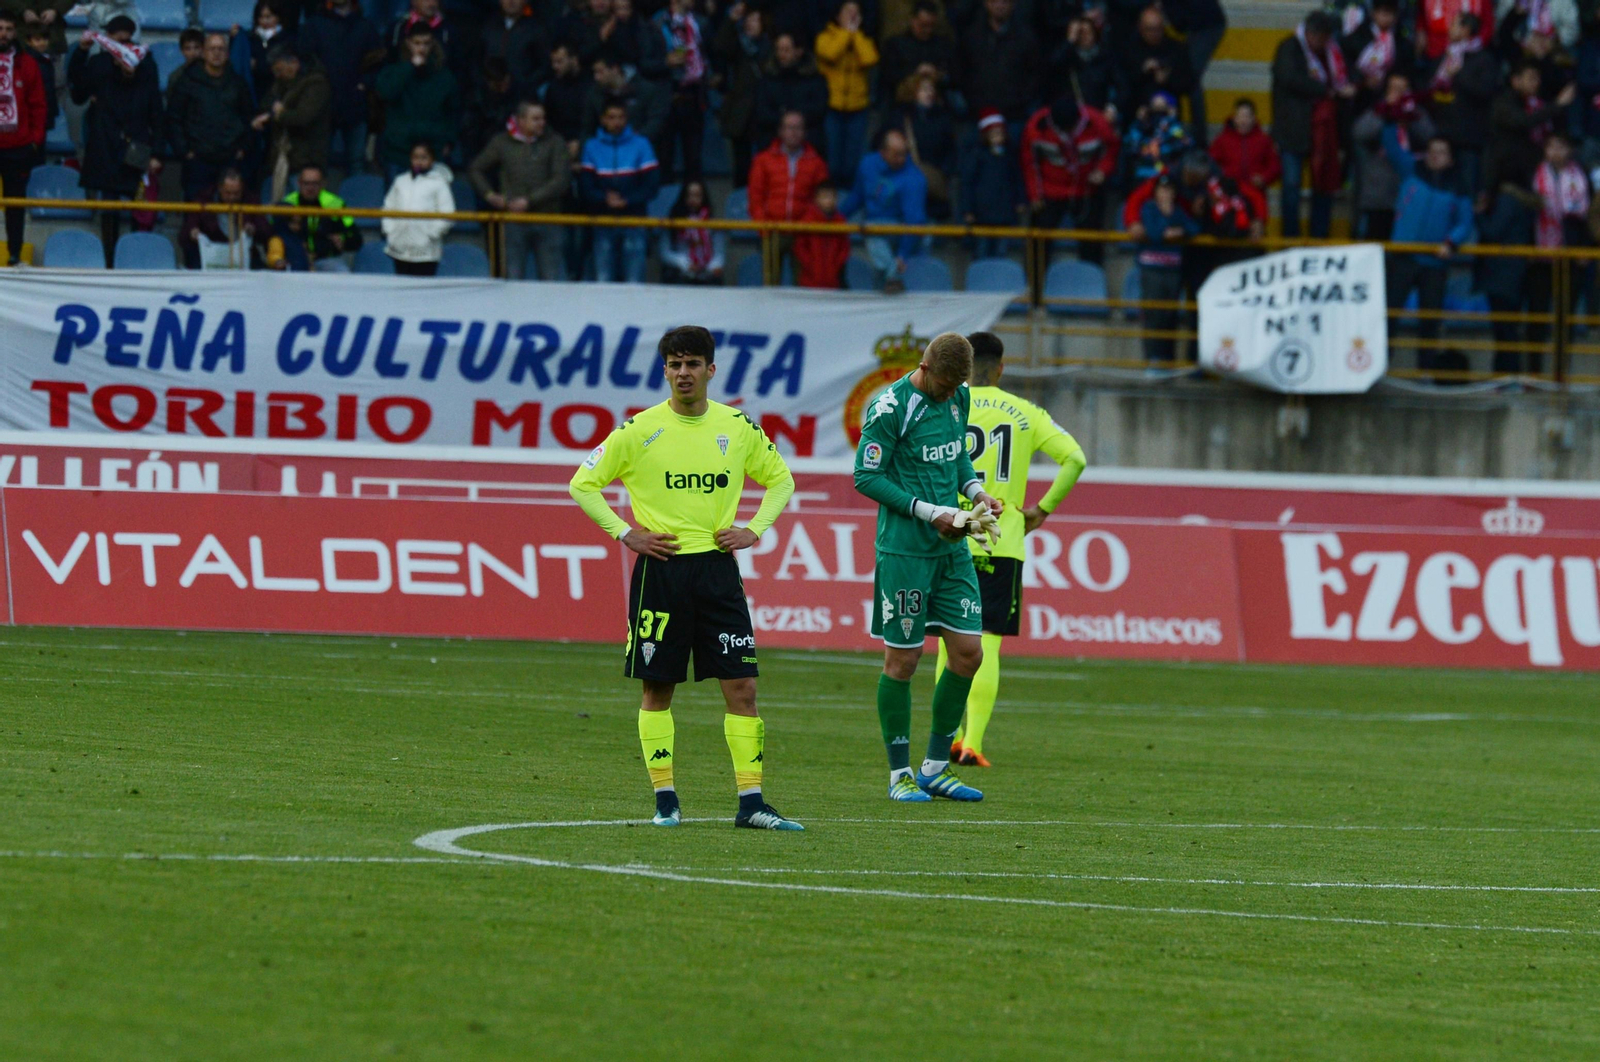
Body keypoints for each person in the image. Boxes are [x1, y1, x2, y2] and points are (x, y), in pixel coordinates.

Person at [567, 325, 802, 832]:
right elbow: (582, 483)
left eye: (693, 363)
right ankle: (665, 800)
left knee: (743, 687)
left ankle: (751, 804)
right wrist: (625, 533)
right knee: (658, 688)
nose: (683, 373)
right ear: (665, 371)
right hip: (662, 571)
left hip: (717, 571)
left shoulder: (737, 426)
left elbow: (781, 480)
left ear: (710, 370)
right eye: (675, 364)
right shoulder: (639, 429)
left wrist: (754, 529)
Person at [852, 332, 1001, 803]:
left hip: (951, 547)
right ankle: (899, 774)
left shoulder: (958, 396)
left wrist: (976, 494)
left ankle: (935, 768)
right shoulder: (890, 408)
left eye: (957, 384)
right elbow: (866, 476)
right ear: (924, 366)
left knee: (969, 653)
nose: (950, 392)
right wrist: (929, 511)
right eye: (944, 383)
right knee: (904, 660)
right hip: (904, 552)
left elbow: (957, 459)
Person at [934, 332, 1085, 767]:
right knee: (988, 642)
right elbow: (1075, 459)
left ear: (964, 367)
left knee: (947, 642)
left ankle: (946, 738)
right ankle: (973, 743)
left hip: (952, 532)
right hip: (1001, 539)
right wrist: (1042, 510)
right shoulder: (1026, 412)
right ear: (1001, 368)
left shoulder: (945, 404)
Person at [69, 19, 164, 262]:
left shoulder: (146, 64)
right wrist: (80, 52)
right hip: (105, 142)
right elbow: (78, 94)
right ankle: (110, 260)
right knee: (108, 207)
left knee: (139, 209)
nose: (123, 47)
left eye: (127, 41)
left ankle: (135, 259)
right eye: (118, 41)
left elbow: (156, 111)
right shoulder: (98, 63)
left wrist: (156, 153)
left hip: (137, 143)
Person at [1383, 123, 1474, 372]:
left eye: (1441, 152)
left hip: (1435, 262)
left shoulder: (1459, 186)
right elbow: (1391, 147)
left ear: (1451, 158)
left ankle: (1425, 371)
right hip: (1402, 257)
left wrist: (1451, 243)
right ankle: (1381, 367)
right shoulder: (1411, 169)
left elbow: (1465, 223)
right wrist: (1390, 118)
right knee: (1389, 315)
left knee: (1430, 321)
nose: (1435, 156)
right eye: (1432, 151)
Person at [1271, 11, 1353, 239]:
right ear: (1309, 33)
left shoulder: (1332, 52)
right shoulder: (1289, 48)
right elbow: (1289, 78)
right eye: (1319, 37)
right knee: (1291, 187)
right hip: (1293, 128)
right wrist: (1326, 90)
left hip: (1324, 129)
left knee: (1323, 185)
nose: (1322, 42)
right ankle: (1290, 239)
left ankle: (1319, 237)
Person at [470, 99, 570, 279]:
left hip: (548, 218)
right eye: (536, 119)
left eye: (543, 118)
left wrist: (529, 201)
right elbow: (476, 168)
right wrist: (489, 195)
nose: (542, 123)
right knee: (513, 279)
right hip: (514, 219)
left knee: (551, 279)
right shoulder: (501, 142)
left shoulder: (555, 142)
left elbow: (561, 180)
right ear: (520, 120)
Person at [1020, 94, 1118, 269]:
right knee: (1038, 242)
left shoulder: (1097, 122)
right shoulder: (1036, 126)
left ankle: (1091, 280)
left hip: (1087, 190)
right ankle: (1034, 282)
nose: (1067, 132)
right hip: (1050, 191)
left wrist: (1102, 171)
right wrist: (1035, 195)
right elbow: (1029, 164)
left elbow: (1112, 149)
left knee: (1091, 243)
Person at [296, 0, 382, 177]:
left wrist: (365, 83)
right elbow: (304, 61)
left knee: (356, 162)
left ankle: (356, 196)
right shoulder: (314, 25)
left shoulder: (365, 26)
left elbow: (378, 62)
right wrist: (318, 87)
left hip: (356, 103)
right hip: (322, 105)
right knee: (318, 163)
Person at [167, 32, 256, 200]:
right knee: (195, 210)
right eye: (212, 49)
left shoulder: (238, 83)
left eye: (221, 49)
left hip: (230, 159)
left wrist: (243, 148)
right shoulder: (187, 82)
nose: (216, 53)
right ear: (204, 53)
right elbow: (174, 118)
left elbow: (248, 118)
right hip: (197, 160)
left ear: (227, 54)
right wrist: (185, 151)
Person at [579, 97, 658, 281]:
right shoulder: (591, 146)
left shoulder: (642, 145)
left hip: (634, 220)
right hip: (602, 220)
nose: (617, 122)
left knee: (634, 281)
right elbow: (585, 186)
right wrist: (604, 198)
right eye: (612, 117)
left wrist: (627, 200)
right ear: (603, 119)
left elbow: (652, 185)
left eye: (621, 117)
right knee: (603, 281)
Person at [840, 127, 926, 291]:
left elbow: (915, 221)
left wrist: (902, 255)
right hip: (875, 230)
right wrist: (837, 218)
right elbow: (857, 196)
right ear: (883, 152)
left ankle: (893, 277)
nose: (902, 159)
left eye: (904, 154)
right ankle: (890, 280)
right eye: (896, 154)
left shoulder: (915, 178)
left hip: (900, 230)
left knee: (871, 229)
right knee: (872, 234)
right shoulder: (867, 165)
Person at [748, 109, 828, 281]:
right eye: (789, 127)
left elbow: (821, 199)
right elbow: (756, 196)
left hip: (803, 232)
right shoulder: (763, 160)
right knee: (770, 285)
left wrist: (807, 225)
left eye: (798, 128)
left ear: (805, 132)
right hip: (772, 231)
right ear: (781, 131)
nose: (793, 132)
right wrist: (763, 226)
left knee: (803, 285)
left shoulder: (817, 163)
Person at [1351, 73, 1434, 240]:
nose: (1398, 94)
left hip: (1409, 193)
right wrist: (1385, 112)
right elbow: (1359, 133)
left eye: (1403, 89)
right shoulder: (1376, 111)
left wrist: (1410, 115)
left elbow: (1430, 136)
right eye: (1394, 89)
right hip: (1379, 195)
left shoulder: (1417, 113)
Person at [1425, 12, 1497, 198]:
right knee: (1438, 192)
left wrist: (1458, 75)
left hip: (1467, 140)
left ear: (1466, 30)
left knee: (1465, 194)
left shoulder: (1484, 59)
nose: (1449, 29)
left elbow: (1485, 91)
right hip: (1441, 137)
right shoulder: (1445, 56)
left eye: (1454, 25)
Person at [374, 22, 459, 178]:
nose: (421, 48)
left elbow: (453, 112)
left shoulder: (444, 76)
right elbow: (385, 93)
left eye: (426, 43)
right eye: (417, 43)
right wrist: (410, 67)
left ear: (433, 44)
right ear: (408, 43)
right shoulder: (394, 69)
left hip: (432, 153)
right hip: (398, 152)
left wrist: (449, 141)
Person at [252, 44, 331, 201]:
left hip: (307, 160)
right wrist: (270, 114)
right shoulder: (282, 83)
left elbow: (302, 117)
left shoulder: (317, 84)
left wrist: (280, 114)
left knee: (305, 206)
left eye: (280, 70)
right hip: (284, 158)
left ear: (294, 62)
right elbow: (269, 103)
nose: (277, 75)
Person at [1134, 172, 1198, 363]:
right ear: (1155, 192)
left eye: (1169, 190)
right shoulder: (1149, 208)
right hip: (1152, 269)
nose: (1166, 194)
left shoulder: (1178, 211)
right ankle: (1153, 360)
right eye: (1162, 190)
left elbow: (1193, 228)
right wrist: (1167, 226)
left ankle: (1168, 359)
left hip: (1172, 270)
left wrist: (1179, 230)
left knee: (1170, 316)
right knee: (1153, 315)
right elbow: (1154, 233)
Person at [0, 11, 47, 266]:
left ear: (15, 32)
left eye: (8, 29)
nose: (4, 34)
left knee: (15, 206)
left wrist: (35, 140)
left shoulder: (27, 63)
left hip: (18, 147)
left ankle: (14, 255)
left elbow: (38, 104)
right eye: (0, 28)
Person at [815, 0, 877, 187]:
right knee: (832, 162)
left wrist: (855, 35)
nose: (852, 15)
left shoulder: (864, 39)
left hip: (858, 108)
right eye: (848, 11)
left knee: (852, 163)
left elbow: (870, 58)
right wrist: (846, 33)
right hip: (832, 107)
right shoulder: (825, 37)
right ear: (837, 15)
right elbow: (830, 53)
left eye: (856, 12)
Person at [649, 0, 709, 183]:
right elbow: (645, 60)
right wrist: (665, 63)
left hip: (693, 94)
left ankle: (694, 198)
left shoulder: (699, 22)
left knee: (694, 157)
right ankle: (665, 197)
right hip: (668, 95)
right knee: (665, 154)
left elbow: (710, 52)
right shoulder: (657, 23)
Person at [711, 4, 768, 187]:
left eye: (755, 20)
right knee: (741, 164)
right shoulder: (738, 45)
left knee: (765, 162)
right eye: (748, 20)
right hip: (740, 113)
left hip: (763, 112)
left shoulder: (770, 47)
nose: (751, 24)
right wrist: (731, 19)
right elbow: (720, 46)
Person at [960, 0, 1038, 128]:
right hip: (978, 114)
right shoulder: (972, 36)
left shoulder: (1026, 37)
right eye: (995, 1)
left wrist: (1021, 99)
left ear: (1013, 4)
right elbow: (963, 70)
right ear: (986, 3)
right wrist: (973, 99)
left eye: (1004, 2)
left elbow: (1035, 73)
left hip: (1015, 114)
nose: (1000, 5)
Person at [381, 140, 454, 275]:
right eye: (415, 157)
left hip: (426, 251)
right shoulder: (400, 181)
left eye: (424, 157)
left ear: (432, 160)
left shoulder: (439, 183)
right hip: (400, 247)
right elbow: (388, 207)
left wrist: (431, 234)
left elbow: (448, 213)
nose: (419, 161)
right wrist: (390, 230)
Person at [958, 108, 1023, 257]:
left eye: (1000, 133)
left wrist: (1020, 201)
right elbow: (968, 183)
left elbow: (1017, 179)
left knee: (1001, 252)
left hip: (1005, 213)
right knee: (982, 250)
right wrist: (968, 210)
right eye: (994, 134)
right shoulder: (977, 156)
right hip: (982, 213)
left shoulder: (1009, 156)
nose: (997, 137)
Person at [179, 167, 271, 268]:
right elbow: (186, 232)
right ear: (219, 188)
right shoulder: (204, 199)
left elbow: (266, 232)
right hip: (213, 255)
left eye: (236, 193)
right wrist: (193, 231)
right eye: (228, 193)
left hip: (243, 255)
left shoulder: (250, 200)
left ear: (242, 189)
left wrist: (254, 229)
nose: (232, 197)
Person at [877, 0, 958, 115]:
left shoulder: (942, 45)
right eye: (923, 25)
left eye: (931, 26)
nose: (927, 30)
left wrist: (937, 74)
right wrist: (915, 71)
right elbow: (888, 75)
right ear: (913, 20)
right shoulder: (896, 44)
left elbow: (954, 73)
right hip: (903, 104)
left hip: (937, 103)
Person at [751, 32, 828, 149]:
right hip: (772, 142)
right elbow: (762, 111)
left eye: (786, 49)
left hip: (808, 143)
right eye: (779, 49)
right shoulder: (767, 79)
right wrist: (785, 120)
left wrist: (794, 120)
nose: (781, 54)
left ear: (799, 51)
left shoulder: (814, 79)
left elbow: (818, 109)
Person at [277, 162, 360, 263]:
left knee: (342, 271)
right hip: (295, 259)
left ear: (323, 184)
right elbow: (276, 233)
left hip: (327, 260)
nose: (310, 188)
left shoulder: (336, 204)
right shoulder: (288, 204)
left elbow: (355, 237)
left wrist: (343, 239)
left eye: (315, 184)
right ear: (299, 183)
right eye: (306, 183)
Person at [1120, 5, 1194, 114]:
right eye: (1150, 29)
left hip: (1168, 112)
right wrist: (1143, 71)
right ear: (1140, 28)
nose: (1154, 34)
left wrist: (1167, 78)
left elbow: (1188, 83)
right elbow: (1123, 83)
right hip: (1136, 111)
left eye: (1158, 29)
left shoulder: (1176, 48)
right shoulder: (1129, 50)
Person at [582, 50, 667, 143]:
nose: (596, 77)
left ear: (615, 69)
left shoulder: (645, 90)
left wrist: (636, 142)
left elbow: (655, 122)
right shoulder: (595, 94)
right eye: (595, 72)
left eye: (600, 72)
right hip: (604, 146)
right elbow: (588, 127)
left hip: (640, 146)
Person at [1208, 98, 1280, 198]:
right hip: (1228, 195)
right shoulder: (1222, 140)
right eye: (1240, 116)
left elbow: (1275, 165)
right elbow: (1210, 163)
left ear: (1253, 118)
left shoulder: (1264, 140)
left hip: (1256, 194)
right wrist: (1223, 178)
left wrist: (1263, 178)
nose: (1243, 121)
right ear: (1234, 118)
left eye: (1247, 116)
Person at [659, 178, 723, 282]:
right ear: (683, 197)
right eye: (689, 195)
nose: (693, 199)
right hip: (681, 272)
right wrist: (685, 264)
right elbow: (665, 253)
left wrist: (713, 266)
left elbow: (719, 252)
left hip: (708, 273)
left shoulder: (712, 222)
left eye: (697, 195)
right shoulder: (673, 221)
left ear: (703, 197)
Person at [231, 0, 293, 105]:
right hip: (253, 92)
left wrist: (258, 64)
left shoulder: (286, 40)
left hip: (277, 94)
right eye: (261, 17)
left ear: (278, 17)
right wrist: (233, 39)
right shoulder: (250, 38)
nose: (264, 21)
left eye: (268, 17)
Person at [1123, 90, 1189, 184]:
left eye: (1162, 108)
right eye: (1154, 107)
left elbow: (1185, 143)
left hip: (1166, 175)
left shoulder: (1173, 126)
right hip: (1142, 174)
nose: (1157, 115)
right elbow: (1130, 146)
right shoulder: (1140, 126)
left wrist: (1171, 120)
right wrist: (1139, 121)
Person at [794, 179, 848, 286]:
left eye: (832, 197)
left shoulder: (840, 221)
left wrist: (836, 265)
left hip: (832, 280)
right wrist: (810, 264)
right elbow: (800, 246)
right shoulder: (808, 220)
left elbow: (844, 247)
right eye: (825, 197)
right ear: (816, 199)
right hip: (809, 280)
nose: (829, 201)